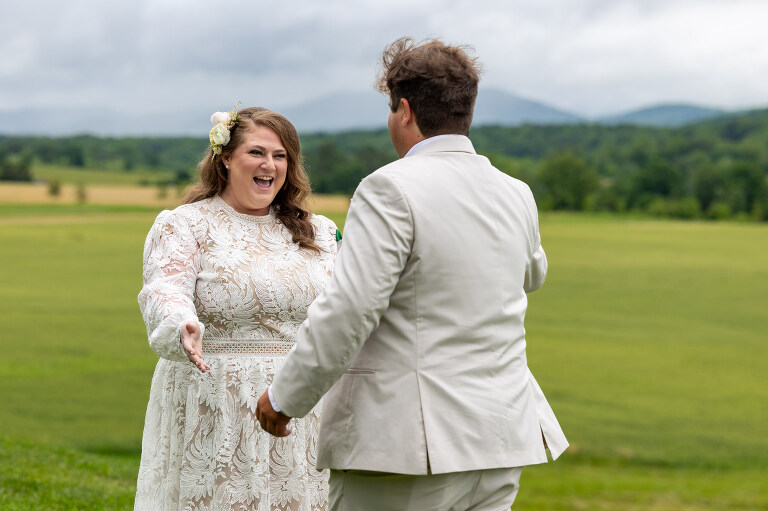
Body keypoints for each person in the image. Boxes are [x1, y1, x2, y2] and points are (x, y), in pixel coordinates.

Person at [255, 37, 568, 510]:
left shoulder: (390, 188)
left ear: (404, 111)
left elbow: (351, 309)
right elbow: (533, 273)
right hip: (502, 435)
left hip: (409, 445)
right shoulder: (516, 192)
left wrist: (285, 397)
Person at [134, 106, 338, 510]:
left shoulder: (321, 232)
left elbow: (346, 308)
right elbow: (164, 288)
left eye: (280, 156)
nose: (269, 165)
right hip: (215, 401)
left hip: (299, 404)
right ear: (225, 158)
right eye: (257, 153)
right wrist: (182, 325)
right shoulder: (185, 224)